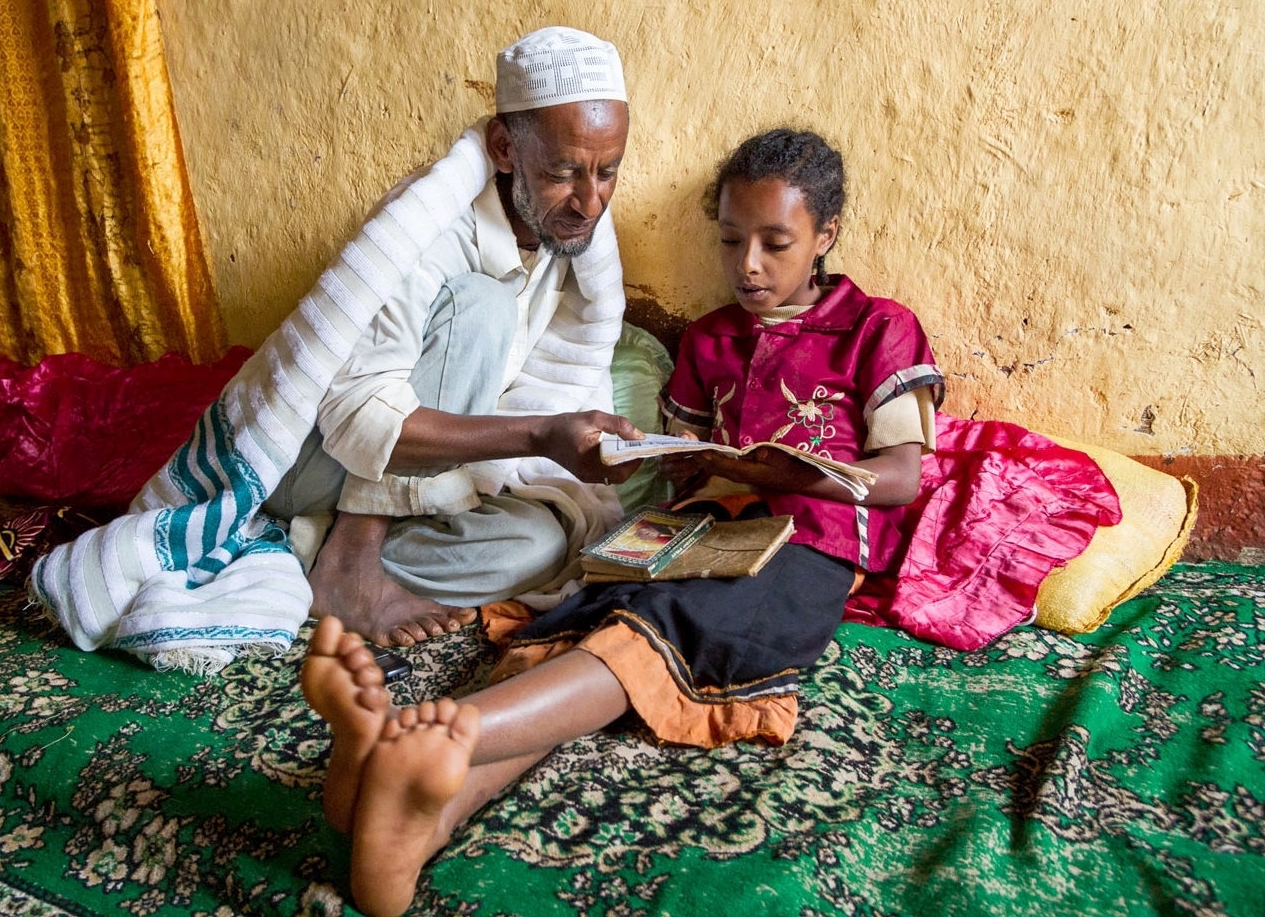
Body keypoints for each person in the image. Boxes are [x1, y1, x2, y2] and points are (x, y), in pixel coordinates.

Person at [300, 128, 946, 916]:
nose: (748, 265)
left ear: (825, 237)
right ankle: (409, 821)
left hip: (803, 550)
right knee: (589, 619)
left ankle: (433, 737)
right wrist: (658, 457)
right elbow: (679, 463)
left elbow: (902, 478)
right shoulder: (710, 339)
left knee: (667, 626)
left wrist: (798, 474)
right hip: (697, 528)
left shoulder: (878, 329)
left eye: (776, 244)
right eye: (732, 240)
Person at [29, 27, 643, 670]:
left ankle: (304, 556)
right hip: (308, 455)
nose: (590, 200)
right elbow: (359, 417)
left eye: (608, 172)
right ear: (504, 149)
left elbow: (538, 396)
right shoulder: (430, 231)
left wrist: (561, 444)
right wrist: (541, 434)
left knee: (541, 542)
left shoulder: (563, 240)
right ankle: (351, 556)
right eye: (563, 172)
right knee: (482, 310)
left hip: (419, 475)